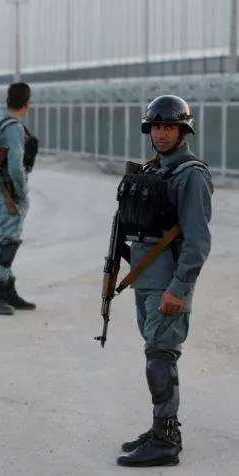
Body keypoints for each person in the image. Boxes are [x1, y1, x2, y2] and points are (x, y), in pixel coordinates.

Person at [115, 94, 213, 467]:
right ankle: (161, 426)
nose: (161, 133)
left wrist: (179, 289)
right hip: (145, 280)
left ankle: (166, 438)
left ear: (182, 131)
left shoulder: (190, 175)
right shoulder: (155, 169)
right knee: (155, 352)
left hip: (167, 283)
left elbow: (198, 240)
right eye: (156, 126)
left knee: (161, 356)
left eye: (169, 126)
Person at [0, 82, 37, 314]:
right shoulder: (13, 127)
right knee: (7, 243)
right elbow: (15, 165)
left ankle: (8, 290)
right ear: (27, 103)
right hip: (8, 191)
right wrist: (22, 192)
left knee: (5, 239)